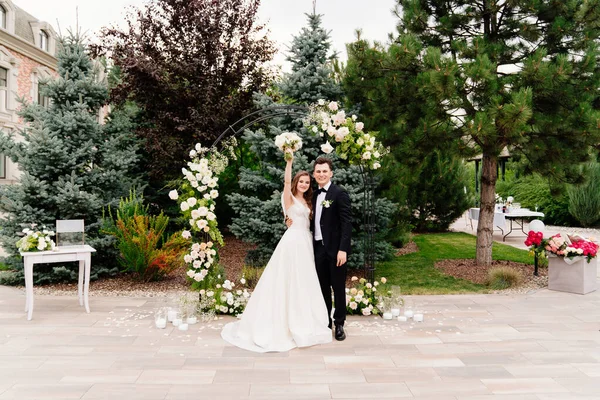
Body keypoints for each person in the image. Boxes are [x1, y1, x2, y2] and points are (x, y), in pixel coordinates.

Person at [221, 150, 332, 352]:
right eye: (302, 182)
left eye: (307, 182)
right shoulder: (288, 198)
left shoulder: (310, 201)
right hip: (292, 242)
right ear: (297, 182)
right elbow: (286, 184)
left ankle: (306, 319)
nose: (304, 185)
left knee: (304, 281)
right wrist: (289, 162)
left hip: (306, 243)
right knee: (287, 279)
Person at [310, 156, 352, 341]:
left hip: (336, 251)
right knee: (322, 288)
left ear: (331, 173)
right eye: (318, 171)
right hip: (318, 248)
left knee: (338, 287)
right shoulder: (312, 195)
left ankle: (339, 323)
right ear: (314, 174)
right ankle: (325, 321)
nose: (321, 174)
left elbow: (346, 223)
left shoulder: (339, 193)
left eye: (324, 171)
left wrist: (343, 249)